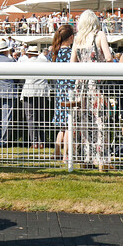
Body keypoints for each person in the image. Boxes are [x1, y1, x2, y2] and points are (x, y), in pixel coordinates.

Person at [71, 9, 113, 170]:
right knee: (101, 121)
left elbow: (72, 62)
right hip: (97, 84)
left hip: (81, 85)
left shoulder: (78, 38)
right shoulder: (99, 35)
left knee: (84, 122)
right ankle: (101, 159)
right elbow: (108, 58)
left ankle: (85, 158)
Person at [50, 24, 75, 159]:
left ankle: (57, 152)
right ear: (71, 38)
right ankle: (67, 154)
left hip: (59, 91)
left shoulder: (55, 53)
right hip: (70, 91)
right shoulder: (70, 53)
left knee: (62, 126)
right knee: (70, 125)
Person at [19, 45, 50, 148]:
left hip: (29, 91)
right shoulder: (44, 61)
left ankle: (34, 142)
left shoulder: (24, 62)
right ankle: (42, 141)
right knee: (42, 117)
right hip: (42, 92)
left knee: (31, 118)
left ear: (28, 54)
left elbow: (20, 77)